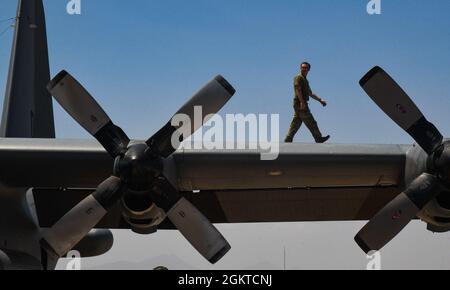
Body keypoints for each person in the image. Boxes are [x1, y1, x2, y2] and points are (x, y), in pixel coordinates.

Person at [285, 62, 330, 143]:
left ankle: (288, 139)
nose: (304, 69)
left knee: (296, 122)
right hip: (300, 103)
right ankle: (318, 138)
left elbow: (310, 93)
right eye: (302, 67)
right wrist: (302, 102)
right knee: (311, 121)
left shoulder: (305, 80)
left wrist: (320, 100)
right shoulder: (298, 78)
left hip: (300, 103)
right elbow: (297, 90)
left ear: (309, 69)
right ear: (300, 68)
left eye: (306, 68)